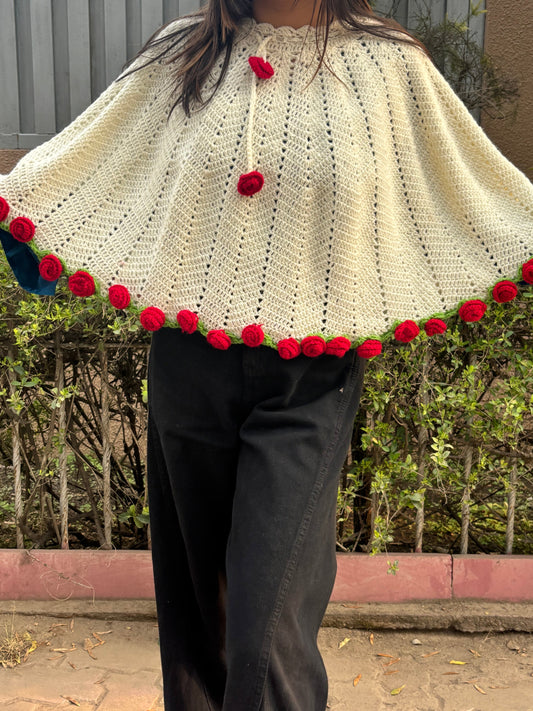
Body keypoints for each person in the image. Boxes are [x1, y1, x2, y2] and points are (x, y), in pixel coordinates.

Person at [0, 0, 532, 709]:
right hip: (189, 365)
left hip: (310, 381)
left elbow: (474, 188)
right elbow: (87, 165)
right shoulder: (182, 54)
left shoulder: (390, 65)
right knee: (199, 619)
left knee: (267, 630)